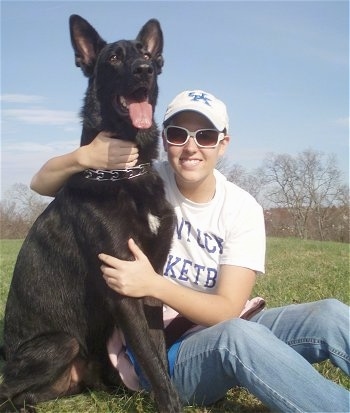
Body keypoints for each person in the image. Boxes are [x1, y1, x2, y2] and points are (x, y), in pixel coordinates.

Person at [31, 90, 350, 412]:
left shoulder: (241, 208)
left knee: (330, 315)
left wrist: (154, 284)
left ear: (223, 144)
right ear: (164, 138)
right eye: (178, 134)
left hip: (223, 326)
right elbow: (42, 184)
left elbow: (226, 308)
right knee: (237, 336)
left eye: (206, 136)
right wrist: (80, 157)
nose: (191, 147)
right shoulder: (139, 181)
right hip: (163, 353)